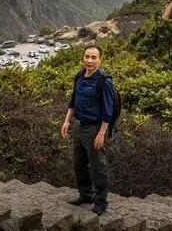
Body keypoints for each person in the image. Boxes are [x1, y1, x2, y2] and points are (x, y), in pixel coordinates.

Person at [61, 45, 115, 215]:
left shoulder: (104, 81)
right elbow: (73, 101)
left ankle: (100, 202)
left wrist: (101, 133)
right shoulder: (80, 76)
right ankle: (85, 195)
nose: (89, 60)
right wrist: (67, 121)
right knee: (79, 163)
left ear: (100, 60)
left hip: (94, 128)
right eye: (87, 56)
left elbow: (108, 111)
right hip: (79, 125)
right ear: (83, 57)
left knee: (98, 167)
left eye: (93, 57)